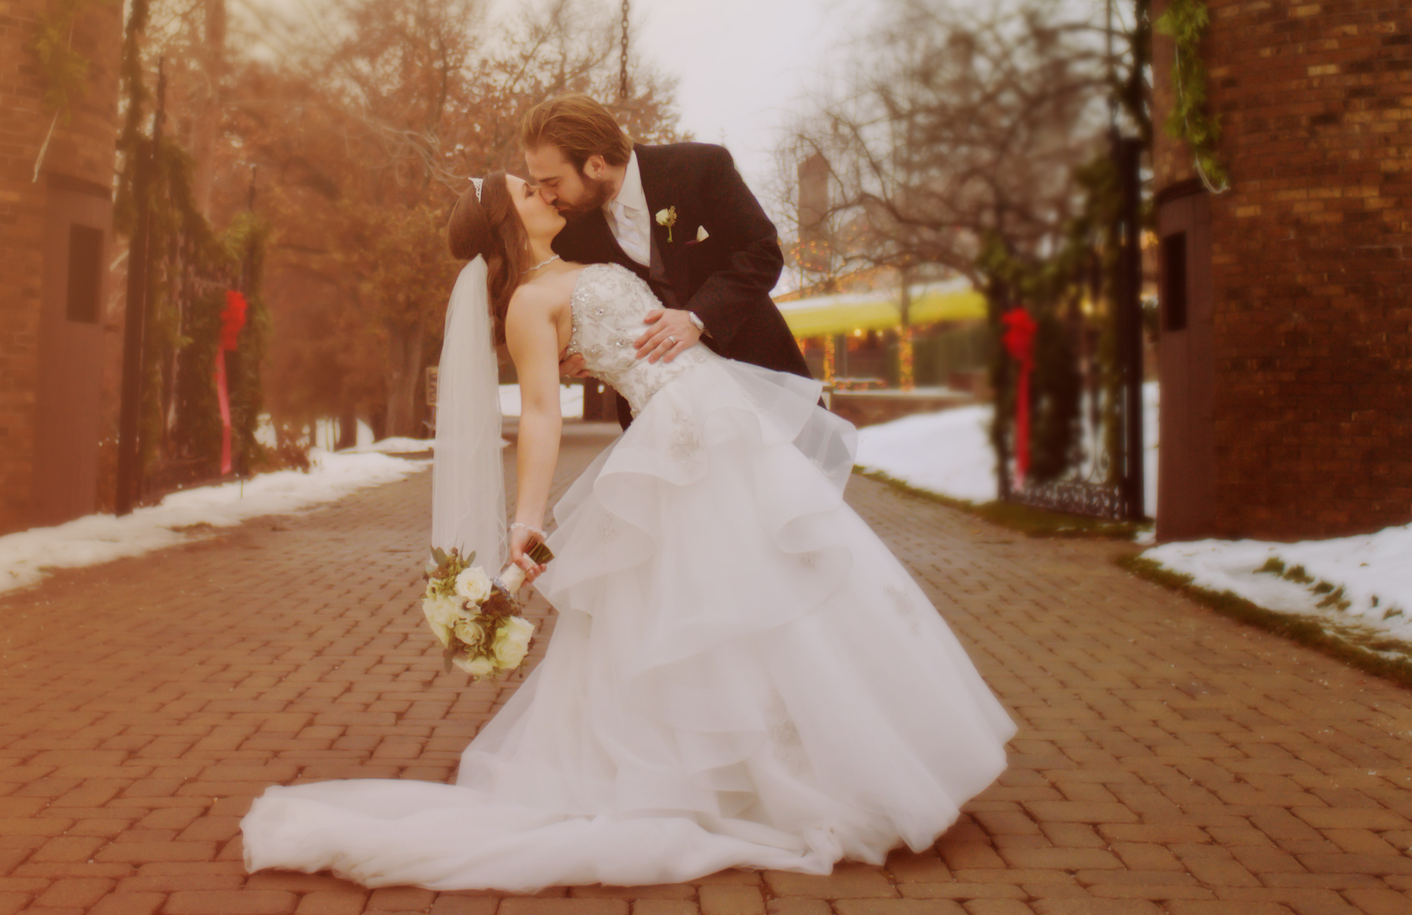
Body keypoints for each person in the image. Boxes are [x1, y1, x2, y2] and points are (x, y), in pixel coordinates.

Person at [239, 167, 1014, 891]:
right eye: (527, 191)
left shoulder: (585, 256)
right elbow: (539, 414)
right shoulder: (528, 305)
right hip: (679, 442)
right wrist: (526, 521)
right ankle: (758, 781)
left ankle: (832, 761)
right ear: (508, 225)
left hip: (724, 415)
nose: (544, 191)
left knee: (789, 582)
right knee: (723, 603)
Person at [520, 94, 808, 399]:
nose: (547, 196)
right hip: (659, 405)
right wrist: (566, 356)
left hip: (762, 376)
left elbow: (762, 253)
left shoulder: (700, 168)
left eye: (553, 182)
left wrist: (697, 317)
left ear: (596, 165)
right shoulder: (569, 228)